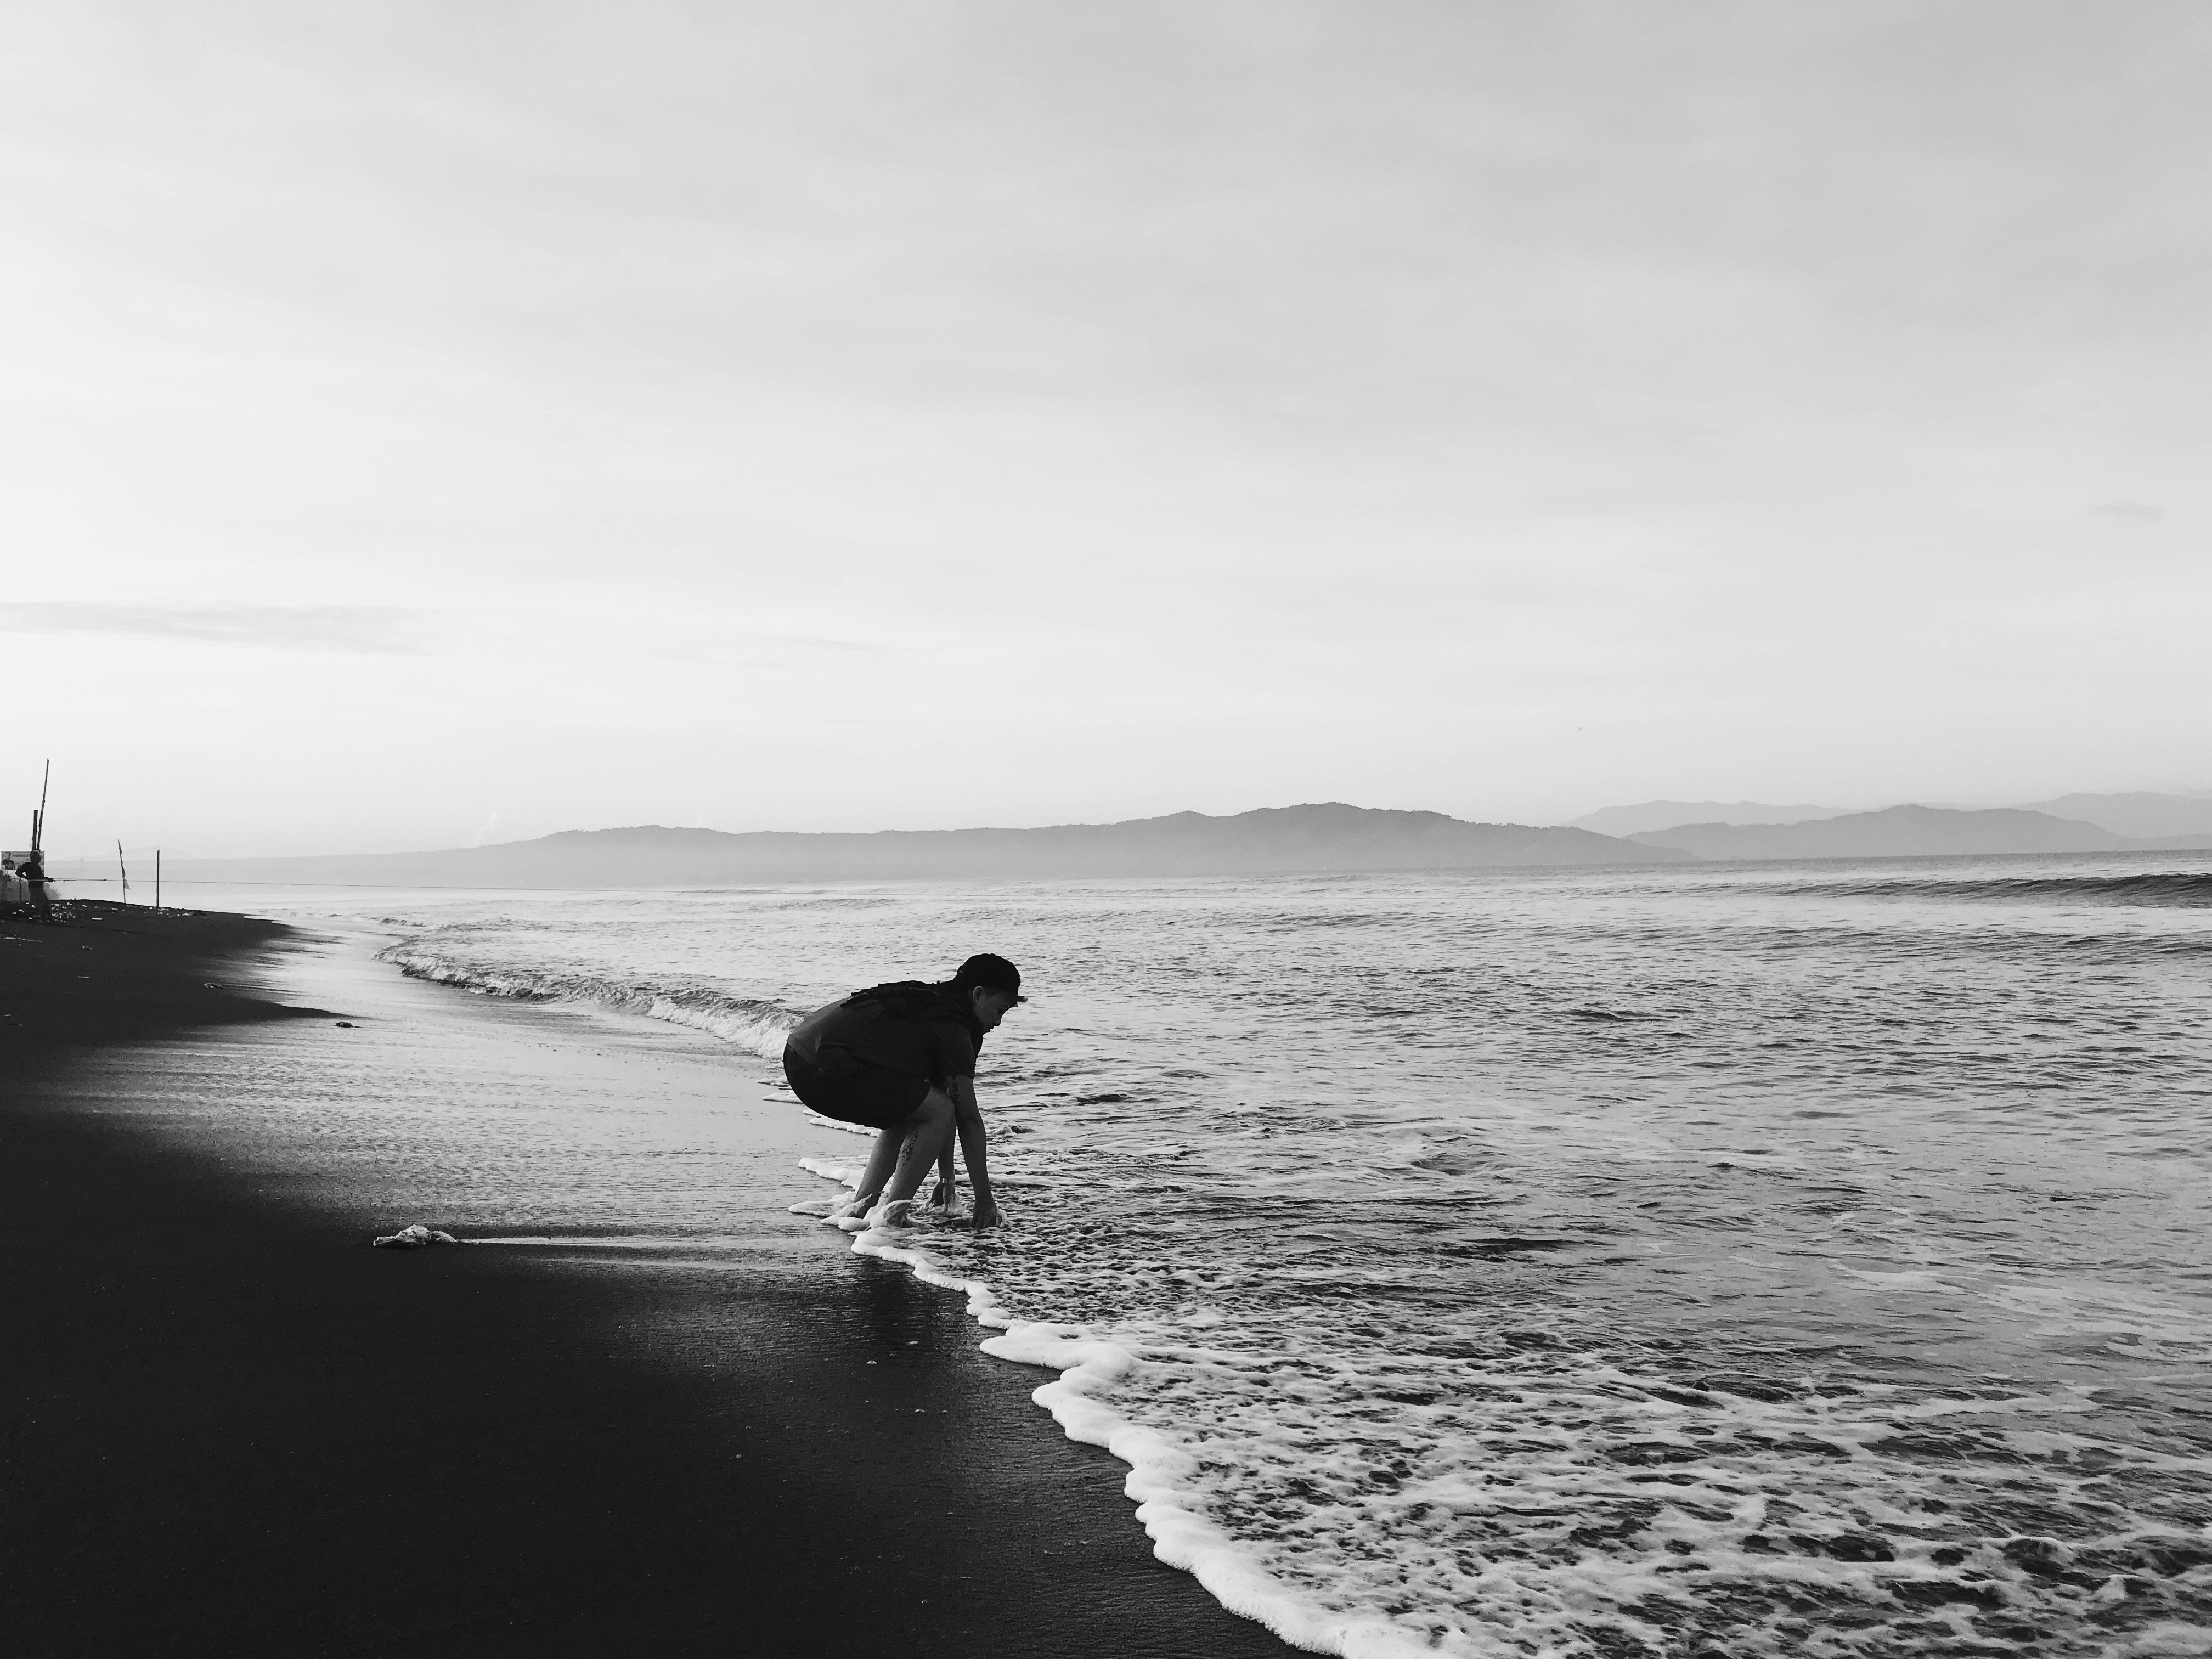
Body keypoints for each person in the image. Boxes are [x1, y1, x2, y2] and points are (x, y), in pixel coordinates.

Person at [782, 953, 1023, 1229]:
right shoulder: (952, 1027)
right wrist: (984, 1200)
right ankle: (892, 1216)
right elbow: (967, 1117)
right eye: (1000, 1010)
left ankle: (862, 1205)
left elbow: (945, 1100)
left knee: (917, 1107)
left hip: (799, 1056)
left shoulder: (932, 1003)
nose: (998, 1022)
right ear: (978, 994)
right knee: (934, 1109)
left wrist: (947, 1180)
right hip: (824, 1068)